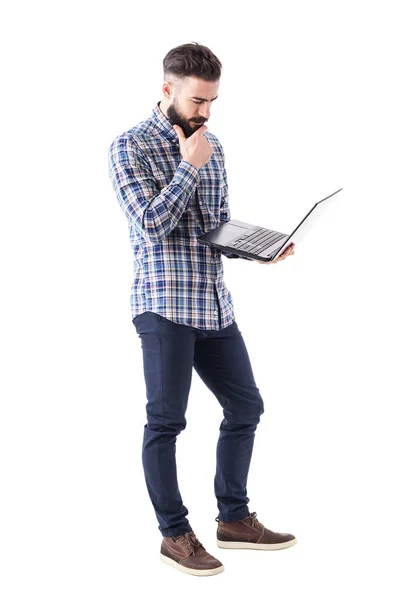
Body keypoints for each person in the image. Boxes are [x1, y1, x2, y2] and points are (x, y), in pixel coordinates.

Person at [108, 42, 296, 577]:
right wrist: (188, 167)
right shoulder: (130, 146)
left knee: (247, 408)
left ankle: (234, 518)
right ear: (168, 89)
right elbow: (150, 224)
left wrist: (255, 247)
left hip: (213, 305)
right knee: (166, 421)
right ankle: (175, 534)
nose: (206, 112)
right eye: (197, 101)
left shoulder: (211, 144)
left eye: (212, 101)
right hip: (164, 305)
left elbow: (213, 227)